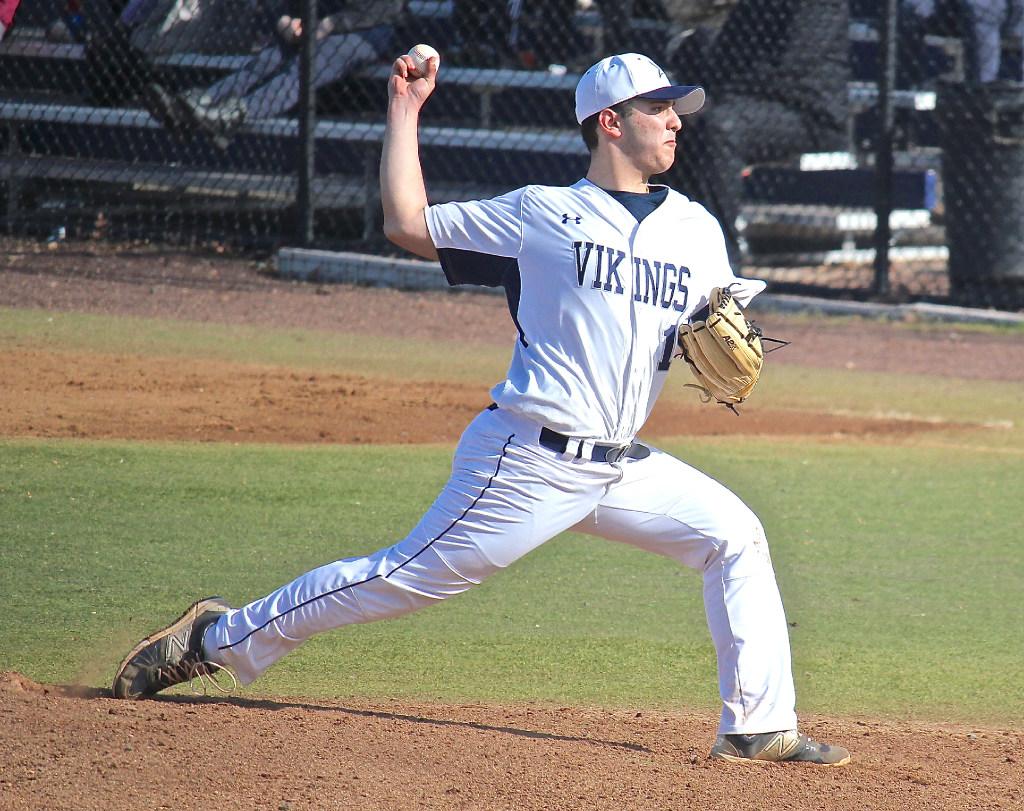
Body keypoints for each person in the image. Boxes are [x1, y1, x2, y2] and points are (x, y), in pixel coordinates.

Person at [111, 50, 851, 767]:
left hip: (621, 465)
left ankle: (757, 728)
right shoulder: (542, 215)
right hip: (527, 458)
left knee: (735, 536)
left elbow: (716, 326)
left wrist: (720, 342)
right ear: (609, 123)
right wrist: (405, 109)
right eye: (658, 107)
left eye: (675, 108)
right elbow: (408, 222)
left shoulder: (696, 230)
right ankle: (214, 638)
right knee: (399, 576)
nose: (675, 121)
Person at [665, 0, 850, 270]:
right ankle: (666, 249)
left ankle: (721, 264)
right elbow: (723, 53)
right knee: (666, 124)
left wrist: (719, 98)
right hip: (745, 103)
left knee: (721, 127)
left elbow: (789, 67)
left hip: (808, 115)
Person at [142, 0, 404, 147]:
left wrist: (329, 24)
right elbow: (278, 5)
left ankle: (232, 115)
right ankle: (200, 103)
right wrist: (285, 21)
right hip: (314, 23)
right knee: (268, 59)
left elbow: (385, 9)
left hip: (366, 30)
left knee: (305, 65)